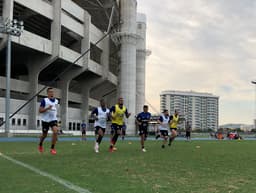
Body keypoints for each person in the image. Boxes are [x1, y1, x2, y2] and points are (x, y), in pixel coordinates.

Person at [38, 87, 59, 155]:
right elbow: (40, 110)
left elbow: (55, 109)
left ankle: (52, 148)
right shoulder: (44, 100)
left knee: (55, 131)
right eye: (50, 92)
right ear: (47, 93)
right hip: (45, 120)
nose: (51, 93)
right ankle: (40, 144)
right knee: (44, 135)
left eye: (52, 92)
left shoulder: (56, 101)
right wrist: (47, 108)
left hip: (53, 119)